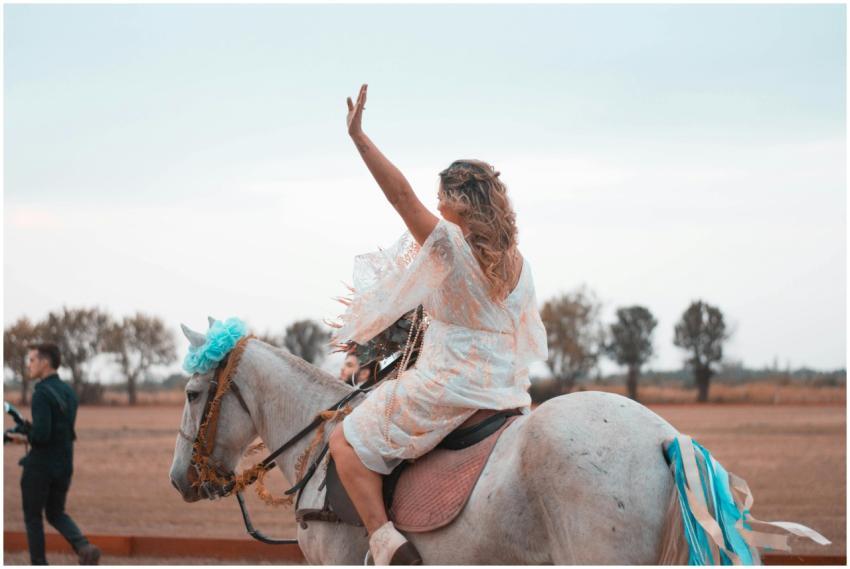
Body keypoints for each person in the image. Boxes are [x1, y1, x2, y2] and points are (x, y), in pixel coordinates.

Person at [328, 84, 548, 564]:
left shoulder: (450, 244)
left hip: (449, 387)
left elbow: (400, 196)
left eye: (439, 199)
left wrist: (359, 139)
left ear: (455, 202)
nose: (433, 207)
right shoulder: (519, 262)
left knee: (344, 440)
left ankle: (386, 544)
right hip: (508, 393)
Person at [18, 343, 101, 565]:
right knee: (55, 513)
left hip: (40, 467)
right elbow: (59, 429)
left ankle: (39, 563)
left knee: (33, 517)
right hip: (64, 463)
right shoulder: (69, 393)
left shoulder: (41, 393)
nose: (29, 365)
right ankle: (83, 547)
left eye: (32, 360)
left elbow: (42, 435)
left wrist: (24, 435)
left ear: (45, 362)